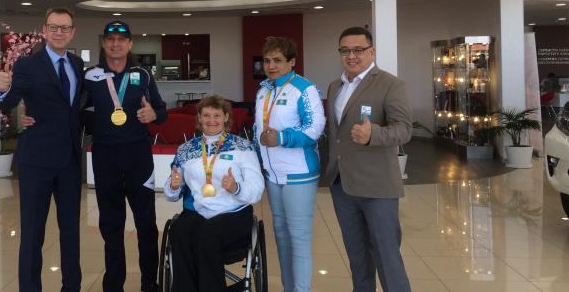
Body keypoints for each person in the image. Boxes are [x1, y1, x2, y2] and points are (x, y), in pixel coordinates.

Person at [0, 7, 84, 292]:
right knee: (33, 233)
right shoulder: (27, 64)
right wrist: (1, 89)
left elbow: (76, 107)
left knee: (71, 231)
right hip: (36, 161)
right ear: (44, 31)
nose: (59, 32)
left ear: (72, 32)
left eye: (65, 28)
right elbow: (9, 102)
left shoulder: (77, 64)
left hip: (69, 160)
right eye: (53, 27)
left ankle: (72, 286)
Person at [326, 26, 412, 292]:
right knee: (358, 258)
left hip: (377, 187)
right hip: (342, 184)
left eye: (358, 50)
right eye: (345, 50)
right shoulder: (335, 86)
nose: (351, 56)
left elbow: (404, 129)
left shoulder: (391, 84)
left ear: (371, 52)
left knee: (387, 257)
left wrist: (372, 134)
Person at [86, 21, 167, 292]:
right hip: (105, 156)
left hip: (138, 156)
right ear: (103, 43)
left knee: (146, 223)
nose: (115, 44)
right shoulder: (92, 76)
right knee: (111, 223)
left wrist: (153, 114)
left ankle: (149, 283)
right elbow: (73, 112)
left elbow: (161, 111)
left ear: (130, 44)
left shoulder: (142, 75)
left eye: (121, 39)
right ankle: (113, 284)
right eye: (110, 39)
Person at [164, 95, 265, 292]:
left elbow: (257, 189)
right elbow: (172, 193)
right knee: (179, 232)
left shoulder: (243, 147)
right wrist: (174, 185)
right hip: (197, 211)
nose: (212, 121)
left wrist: (236, 188)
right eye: (206, 115)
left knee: (207, 235)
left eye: (217, 115)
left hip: (233, 212)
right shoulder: (186, 149)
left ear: (226, 117)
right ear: (199, 119)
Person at [254, 36, 325, 292]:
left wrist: (281, 138)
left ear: (292, 62)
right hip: (273, 175)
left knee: (299, 239)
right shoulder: (263, 90)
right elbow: (258, 129)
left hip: (299, 173)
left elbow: (314, 129)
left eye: (278, 60)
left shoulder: (304, 89)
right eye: (267, 60)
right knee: (281, 238)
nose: (271, 66)